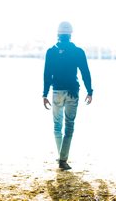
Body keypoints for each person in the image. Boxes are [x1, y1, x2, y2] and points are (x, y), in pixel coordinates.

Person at [43, 21, 93, 170]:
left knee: (57, 126)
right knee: (69, 126)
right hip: (73, 92)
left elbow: (47, 74)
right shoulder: (78, 51)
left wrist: (44, 93)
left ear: (58, 34)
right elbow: (85, 73)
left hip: (57, 92)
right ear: (71, 34)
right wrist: (90, 91)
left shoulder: (51, 51)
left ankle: (61, 157)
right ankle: (63, 159)